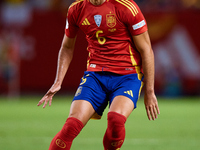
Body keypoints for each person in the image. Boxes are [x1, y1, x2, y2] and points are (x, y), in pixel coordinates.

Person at [37, 0, 160, 150]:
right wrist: (58, 81)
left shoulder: (126, 7)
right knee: (71, 125)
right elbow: (67, 47)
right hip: (95, 76)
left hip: (127, 76)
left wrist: (149, 91)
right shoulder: (76, 9)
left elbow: (146, 49)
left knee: (116, 120)